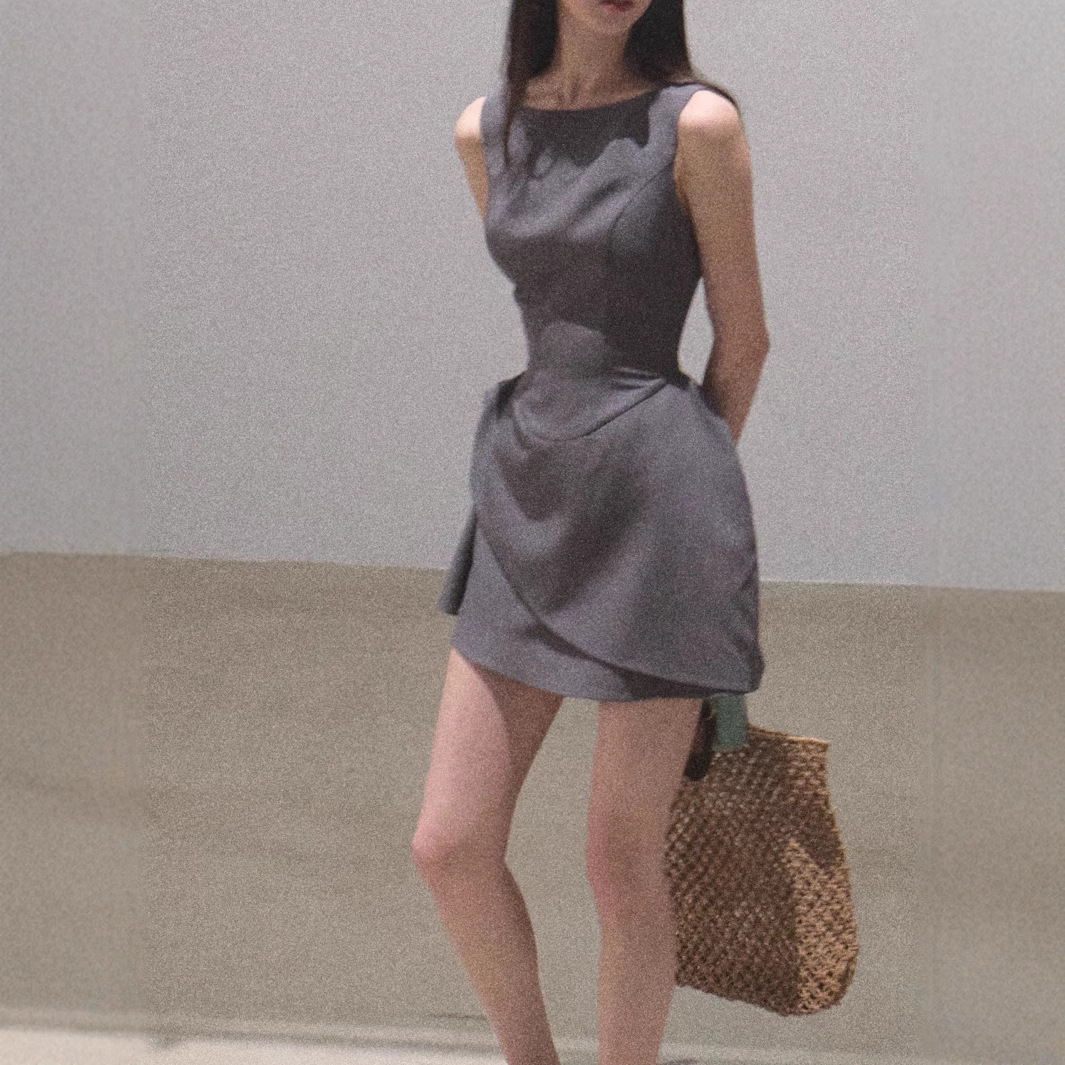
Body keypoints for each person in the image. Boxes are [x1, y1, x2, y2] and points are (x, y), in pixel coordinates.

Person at [412, 1, 770, 1062]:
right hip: (526, 487)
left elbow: (745, 340)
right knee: (449, 843)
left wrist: (685, 491)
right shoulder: (486, 130)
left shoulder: (696, 124)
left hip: (659, 507)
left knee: (620, 860)